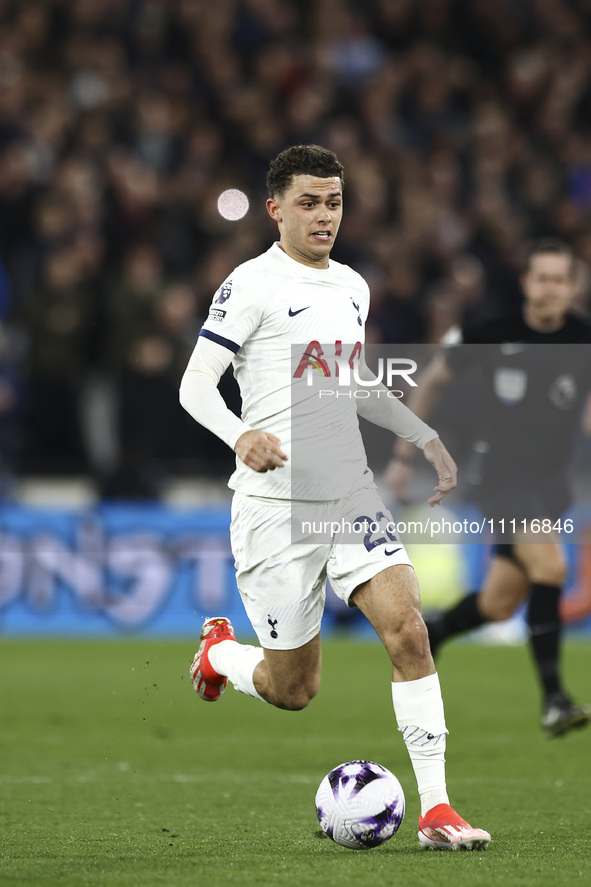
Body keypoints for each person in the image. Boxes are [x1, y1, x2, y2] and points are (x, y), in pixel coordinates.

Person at [179, 144, 490, 851]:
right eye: (310, 202)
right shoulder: (250, 283)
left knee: (408, 628)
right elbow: (194, 386)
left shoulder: (352, 285)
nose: (324, 215)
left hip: (346, 490)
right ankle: (221, 656)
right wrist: (239, 434)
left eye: (334, 202)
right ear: (275, 209)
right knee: (293, 688)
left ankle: (437, 810)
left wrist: (421, 434)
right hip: (271, 504)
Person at [387, 237, 591, 738]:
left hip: (550, 486)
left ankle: (432, 631)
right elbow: (432, 381)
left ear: (573, 286)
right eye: (541, 278)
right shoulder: (492, 332)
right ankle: (555, 700)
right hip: (499, 478)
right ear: (526, 283)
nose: (550, 289)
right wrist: (404, 451)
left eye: (559, 280)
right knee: (552, 564)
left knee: (499, 603)